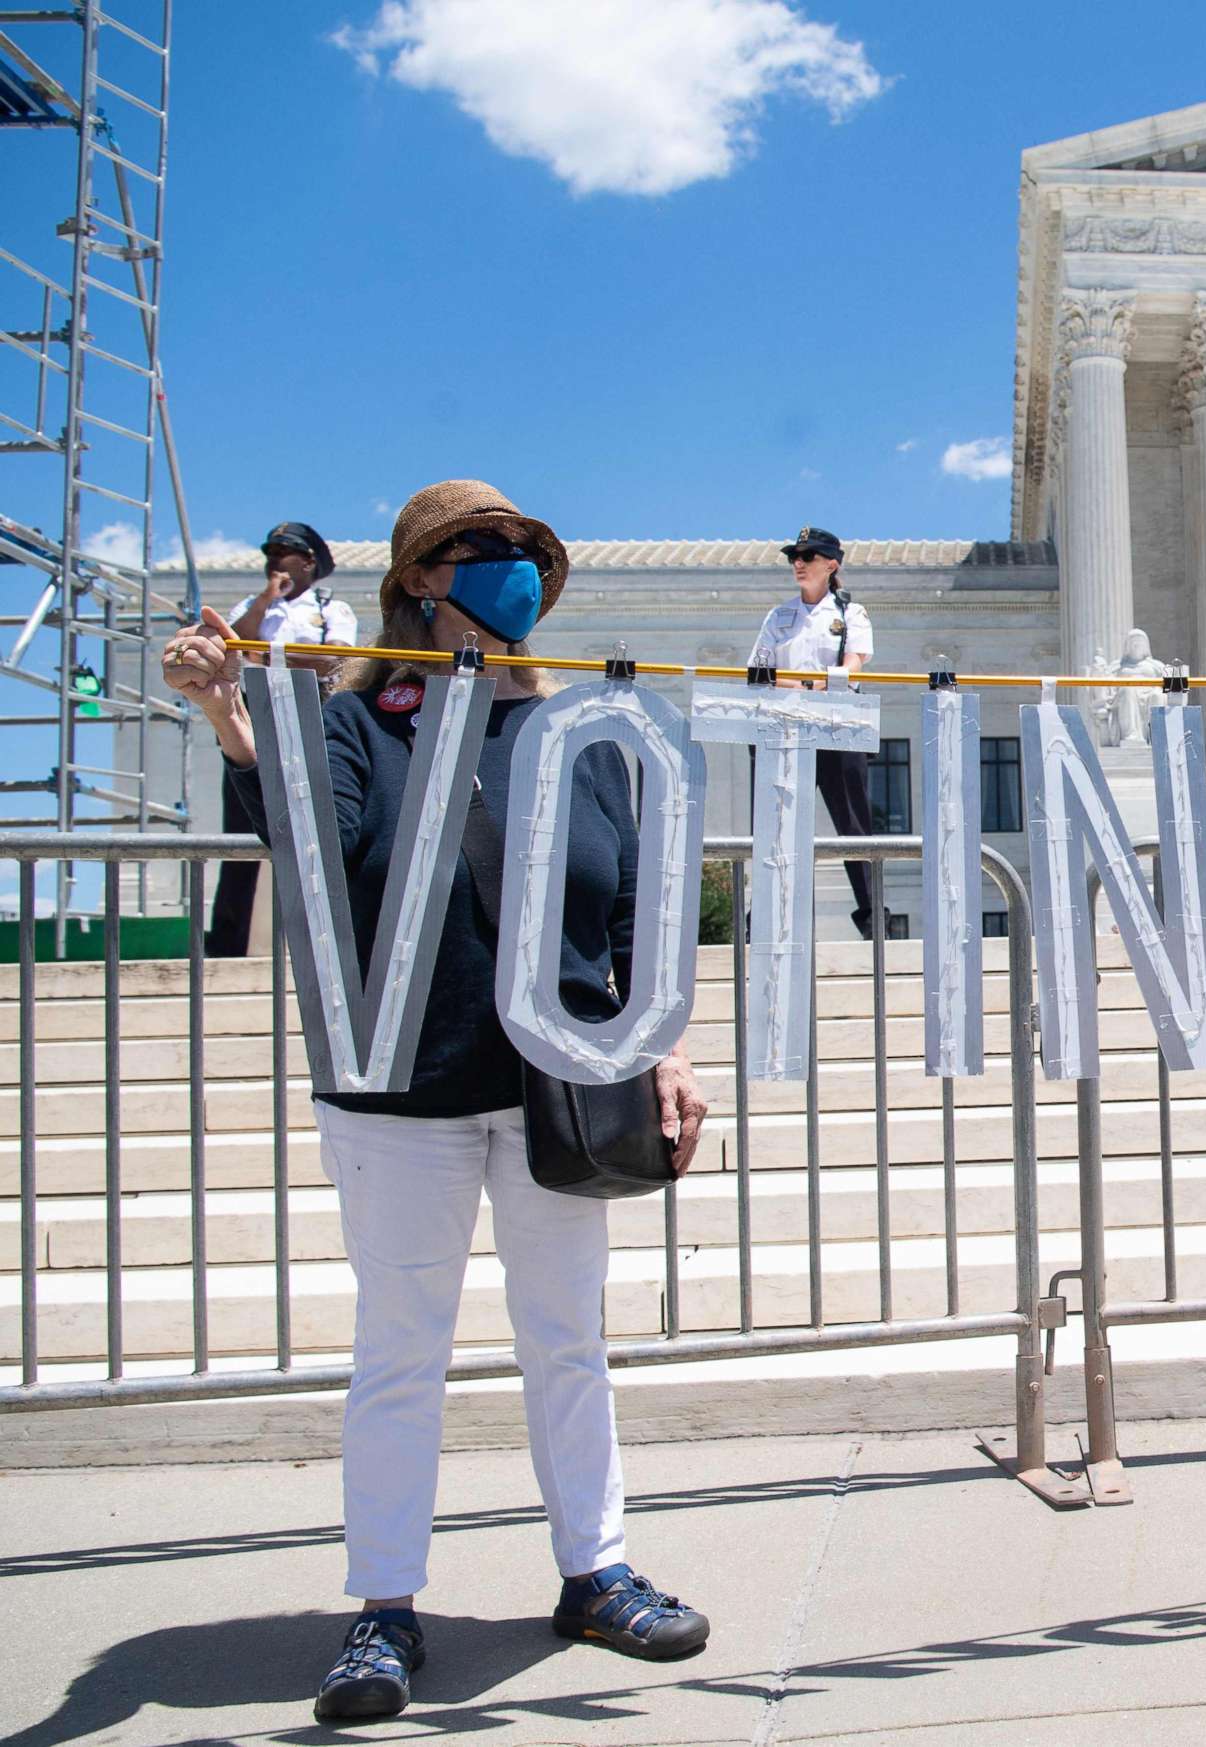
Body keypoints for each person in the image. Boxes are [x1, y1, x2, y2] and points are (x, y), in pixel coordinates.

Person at [160, 480, 714, 1723]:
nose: (511, 568)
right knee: (401, 1355)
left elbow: (624, 909)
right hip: (400, 1086)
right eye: (483, 550)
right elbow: (318, 843)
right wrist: (228, 716)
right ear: (421, 578)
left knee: (568, 1341)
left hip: (557, 1091)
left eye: (525, 550)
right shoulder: (358, 729)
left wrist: (659, 1044)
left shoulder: (578, 733)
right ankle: (383, 1606)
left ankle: (596, 1570)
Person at [207, 522, 356, 957]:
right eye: (269, 550)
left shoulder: (331, 609)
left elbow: (332, 660)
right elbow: (231, 645)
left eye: (285, 550)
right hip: (254, 721)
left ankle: (329, 941)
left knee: (321, 829)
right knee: (242, 830)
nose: (273, 558)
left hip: (312, 717)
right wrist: (267, 598)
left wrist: (261, 653)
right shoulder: (255, 607)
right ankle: (229, 945)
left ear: (309, 560)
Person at [750, 526, 879, 936]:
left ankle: (874, 916)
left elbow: (855, 663)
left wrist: (806, 683)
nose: (799, 564)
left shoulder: (848, 613)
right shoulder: (779, 615)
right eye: (794, 557)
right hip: (787, 727)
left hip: (838, 726)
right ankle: (765, 917)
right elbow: (759, 670)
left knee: (855, 826)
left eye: (808, 556)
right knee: (778, 825)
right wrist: (811, 684)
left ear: (832, 564)